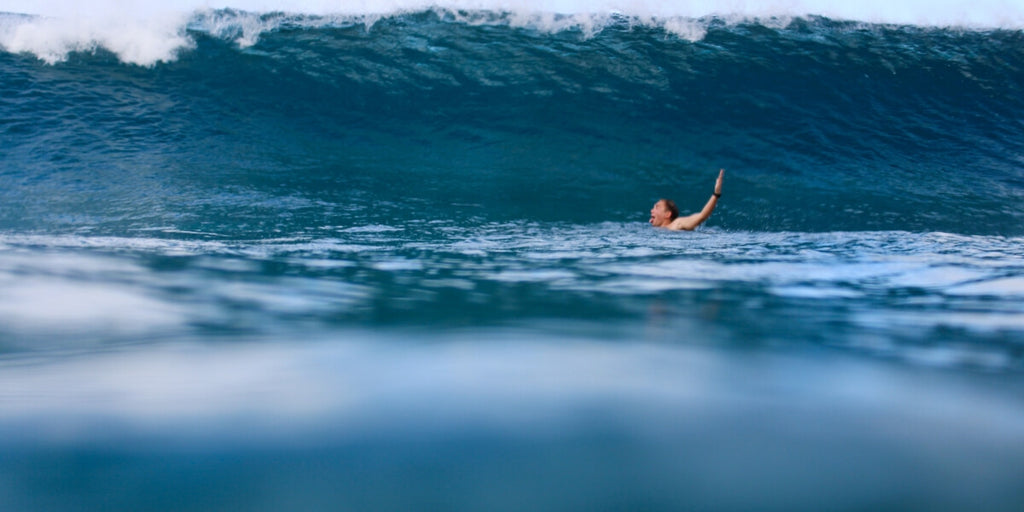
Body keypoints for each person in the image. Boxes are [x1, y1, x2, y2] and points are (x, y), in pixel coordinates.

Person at [649, 169, 724, 231]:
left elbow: (702, 216)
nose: (651, 210)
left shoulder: (677, 224)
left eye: (657, 207)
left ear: (668, 214)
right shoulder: (657, 230)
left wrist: (716, 194)